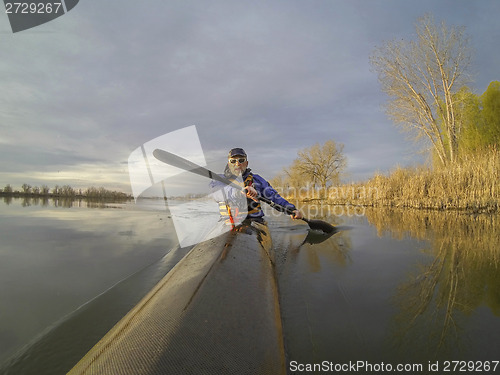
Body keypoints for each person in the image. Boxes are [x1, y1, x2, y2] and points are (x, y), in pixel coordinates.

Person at [210, 147, 303, 223]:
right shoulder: (218, 179)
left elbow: (273, 197)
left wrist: (291, 209)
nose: (237, 164)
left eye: (241, 160)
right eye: (233, 161)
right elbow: (216, 194)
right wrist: (238, 191)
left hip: (254, 221)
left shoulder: (257, 180)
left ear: (246, 163)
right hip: (227, 222)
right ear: (228, 164)